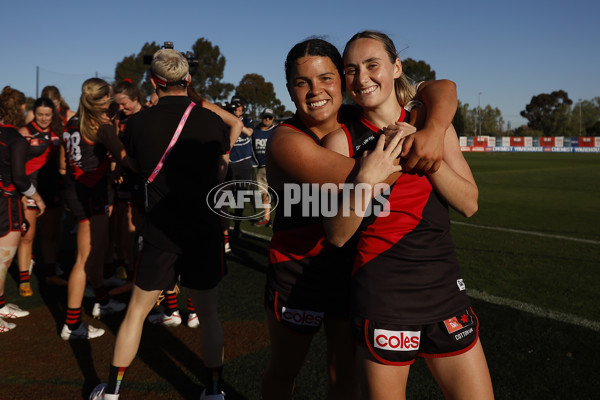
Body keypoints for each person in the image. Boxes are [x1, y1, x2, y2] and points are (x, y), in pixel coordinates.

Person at [262, 38, 456, 400]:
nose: (315, 90)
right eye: (302, 82)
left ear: (342, 80)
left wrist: (434, 128)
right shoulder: (286, 140)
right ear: (289, 90)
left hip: (349, 264)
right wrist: (416, 135)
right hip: (297, 270)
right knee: (284, 370)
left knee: (344, 374)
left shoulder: (357, 120)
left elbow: (441, 87)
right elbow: (365, 177)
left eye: (326, 78)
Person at [321, 31, 493, 400]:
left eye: (372, 65)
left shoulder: (433, 124)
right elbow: (335, 234)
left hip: (445, 288)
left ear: (396, 68)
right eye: (351, 70)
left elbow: (469, 203)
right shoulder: (342, 140)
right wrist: (366, 178)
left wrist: (424, 148)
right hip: (383, 294)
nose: (362, 78)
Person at [89, 48, 230, 400]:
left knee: (136, 312)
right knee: (209, 316)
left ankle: (112, 393)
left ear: (154, 82)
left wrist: (111, 142)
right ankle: (214, 392)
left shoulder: (138, 123)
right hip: (205, 229)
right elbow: (221, 165)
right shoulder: (211, 120)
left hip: (161, 230)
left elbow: (133, 165)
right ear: (189, 80)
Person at [60, 78, 136, 341]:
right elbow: (123, 157)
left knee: (93, 254)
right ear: (101, 100)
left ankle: (101, 301)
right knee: (86, 259)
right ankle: (72, 325)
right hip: (92, 194)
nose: (112, 100)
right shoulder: (101, 127)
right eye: (109, 97)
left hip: (78, 190)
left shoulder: (72, 122)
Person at [0, 95, 46, 332]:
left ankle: (0, 306)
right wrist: (37, 197)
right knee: (1, 262)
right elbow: (19, 179)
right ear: (18, 109)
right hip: (7, 204)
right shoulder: (15, 138)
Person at [16, 97, 65, 295]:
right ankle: (24, 280)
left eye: (47, 114)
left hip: (51, 190)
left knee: (51, 235)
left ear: (53, 115)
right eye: (40, 114)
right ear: (33, 113)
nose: (43, 118)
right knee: (28, 236)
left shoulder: (57, 134)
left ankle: (51, 274)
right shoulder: (24, 133)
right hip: (29, 191)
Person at [223, 95, 255, 249]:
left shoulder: (248, 121)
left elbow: (249, 132)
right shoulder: (225, 121)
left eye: (239, 107)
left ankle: (237, 226)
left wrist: (235, 122)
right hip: (230, 164)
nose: (237, 110)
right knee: (225, 198)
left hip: (244, 164)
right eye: (234, 107)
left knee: (241, 197)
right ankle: (224, 230)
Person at [252, 108, 276, 227]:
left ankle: (278, 220)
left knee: (278, 194)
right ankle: (267, 218)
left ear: (273, 118)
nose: (267, 119)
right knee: (264, 194)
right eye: (265, 116)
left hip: (275, 167)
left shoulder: (276, 130)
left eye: (269, 117)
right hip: (261, 167)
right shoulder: (255, 131)